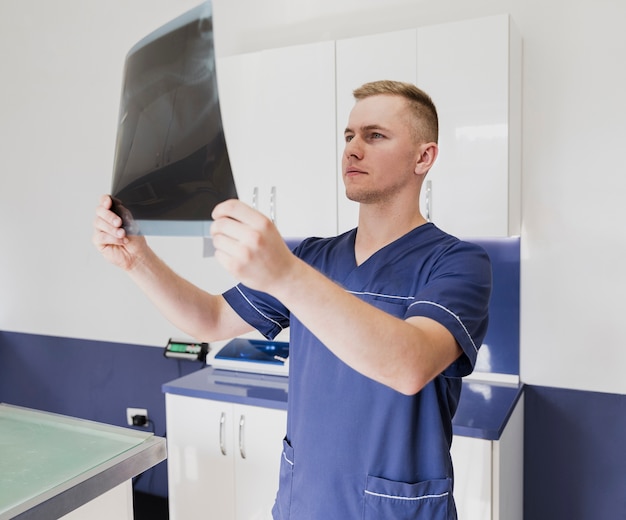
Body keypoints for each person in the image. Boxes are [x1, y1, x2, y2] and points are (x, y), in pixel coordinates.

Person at [93, 80, 491, 519]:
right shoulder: (313, 258)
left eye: (375, 135)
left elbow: (410, 365)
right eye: (348, 136)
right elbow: (209, 318)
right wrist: (137, 260)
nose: (353, 149)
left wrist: (286, 275)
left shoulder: (458, 262)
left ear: (424, 156)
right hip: (303, 504)